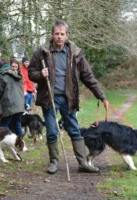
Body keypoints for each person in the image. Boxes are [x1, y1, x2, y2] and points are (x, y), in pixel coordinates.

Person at [28, 20, 109, 174]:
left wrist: (101, 96)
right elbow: (31, 72)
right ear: (52, 35)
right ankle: (53, 163)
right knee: (52, 131)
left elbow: (88, 76)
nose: (59, 37)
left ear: (67, 35)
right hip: (49, 98)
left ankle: (83, 163)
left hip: (68, 99)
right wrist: (40, 74)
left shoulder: (75, 54)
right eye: (56, 34)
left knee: (74, 130)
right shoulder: (41, 52)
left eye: (62, 34)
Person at [0, 59, 25, 136]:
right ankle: (21, 143)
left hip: (9, 104)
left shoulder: (3, 74)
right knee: (17, 123)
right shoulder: (19, 75)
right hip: (20, 103)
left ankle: (4, 142)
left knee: (4, 124)